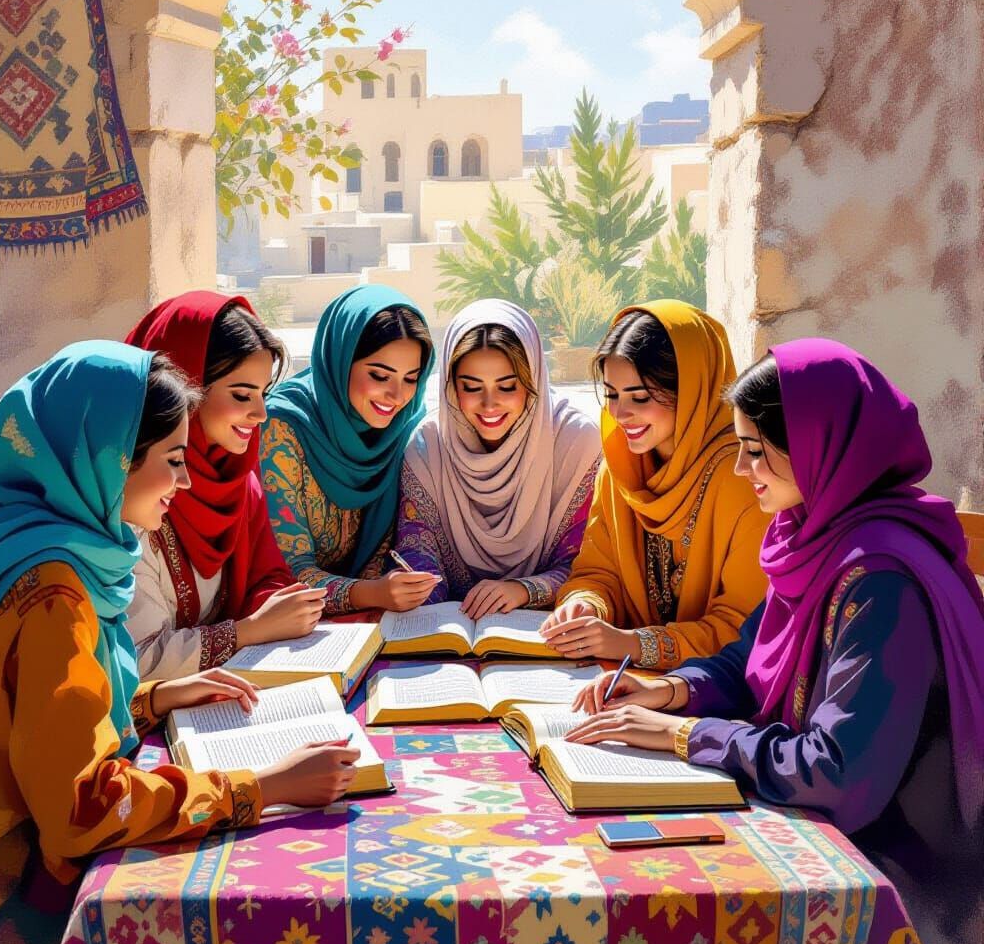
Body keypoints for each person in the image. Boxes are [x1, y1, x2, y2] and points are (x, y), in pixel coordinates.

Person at [566, 341, 984, 944]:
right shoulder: (813, 537)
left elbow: (836, 773)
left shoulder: (881, 580)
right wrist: (673, 690)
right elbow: (747, 657)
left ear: (821, 446)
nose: (741, 468)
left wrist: (682, 737)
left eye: (757, 450)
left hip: (900, 881)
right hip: (824, 836)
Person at [0, 343, 360, 944]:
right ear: (111, 462)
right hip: (2, 914)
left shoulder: (16, 541)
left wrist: (150, 699)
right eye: (173, 462)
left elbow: (27, 715)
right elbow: (80, 806)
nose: (187, 482)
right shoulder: (55, 596)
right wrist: (264, 786)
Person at [541, 301, 768, 667]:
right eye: (612, 395)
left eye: (640, 397)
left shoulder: (744, 477)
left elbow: (744, 627)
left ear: (693, 389)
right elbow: (598, 572)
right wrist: (585, 603)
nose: (619, 414)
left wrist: (636, 644)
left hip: (719, 690)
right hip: (626, 681)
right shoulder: (621, 469)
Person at [124, 292, 325, 680]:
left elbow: (266, 578)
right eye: (241, 395)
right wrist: (251, 631)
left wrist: (282, 608)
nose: (261, 413)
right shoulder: (135, 493)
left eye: (263, 394)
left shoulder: (238, 483)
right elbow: (137, 659)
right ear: (187, 383)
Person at [394, 299, 600, 617]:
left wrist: (524, 590)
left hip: (548, 629)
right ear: (450, 387)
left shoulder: (577, 443)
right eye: (471, 387)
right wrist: (415, 591)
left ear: (532, 381)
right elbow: (420, 556)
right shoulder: (427, 446)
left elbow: (590, 568)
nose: (490, 405)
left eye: (507, 387)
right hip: (451, 628)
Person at [261, 285, 439, 614]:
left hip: (369, 623)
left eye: (411, 378)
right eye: (379, 375)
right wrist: (370, 593)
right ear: (341, 361)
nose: (397, 396)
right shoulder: (282, 426)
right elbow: (288, 576)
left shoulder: (406, 428)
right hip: (285, 623)